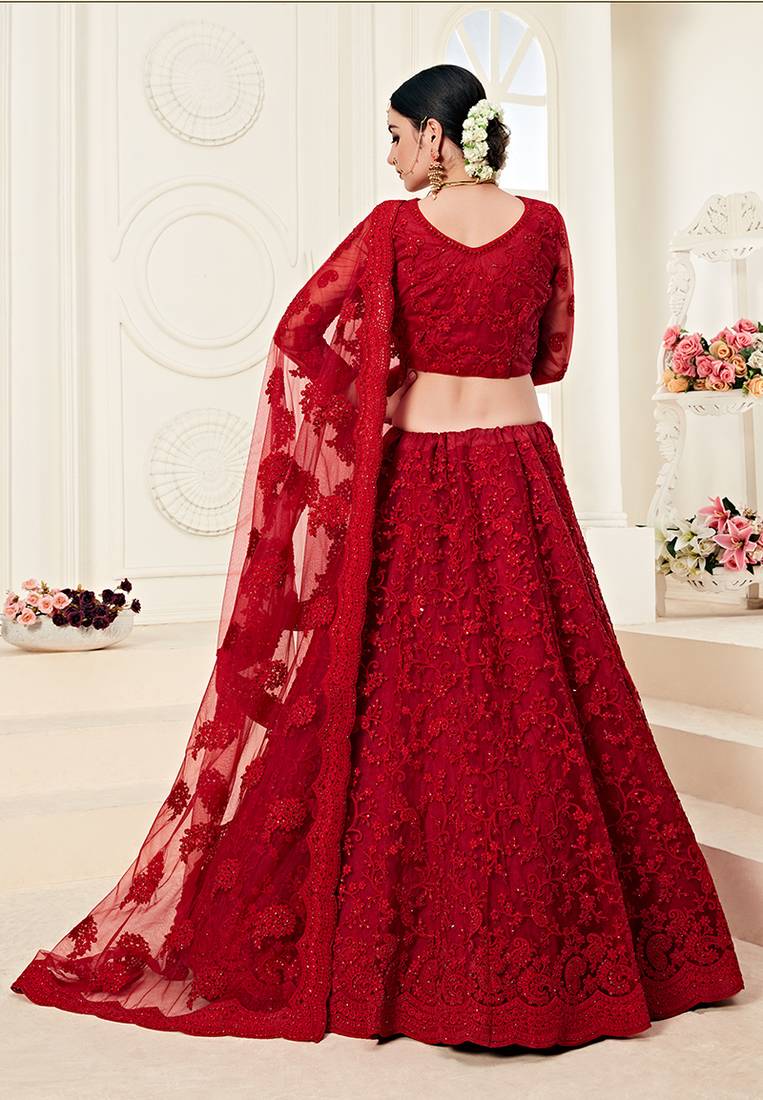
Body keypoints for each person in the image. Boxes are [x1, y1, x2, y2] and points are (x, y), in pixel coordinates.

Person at [11, 64, 744, 1048]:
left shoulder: (393, 231)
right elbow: (551, 357)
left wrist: (383, 386)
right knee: (546, 687)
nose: (389, 153)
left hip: (425, 483)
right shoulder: (544, 226)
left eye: (397, 134)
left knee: (415, 698)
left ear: (438, 139)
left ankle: (409, 953)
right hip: (518, 474)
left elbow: (299, 333)